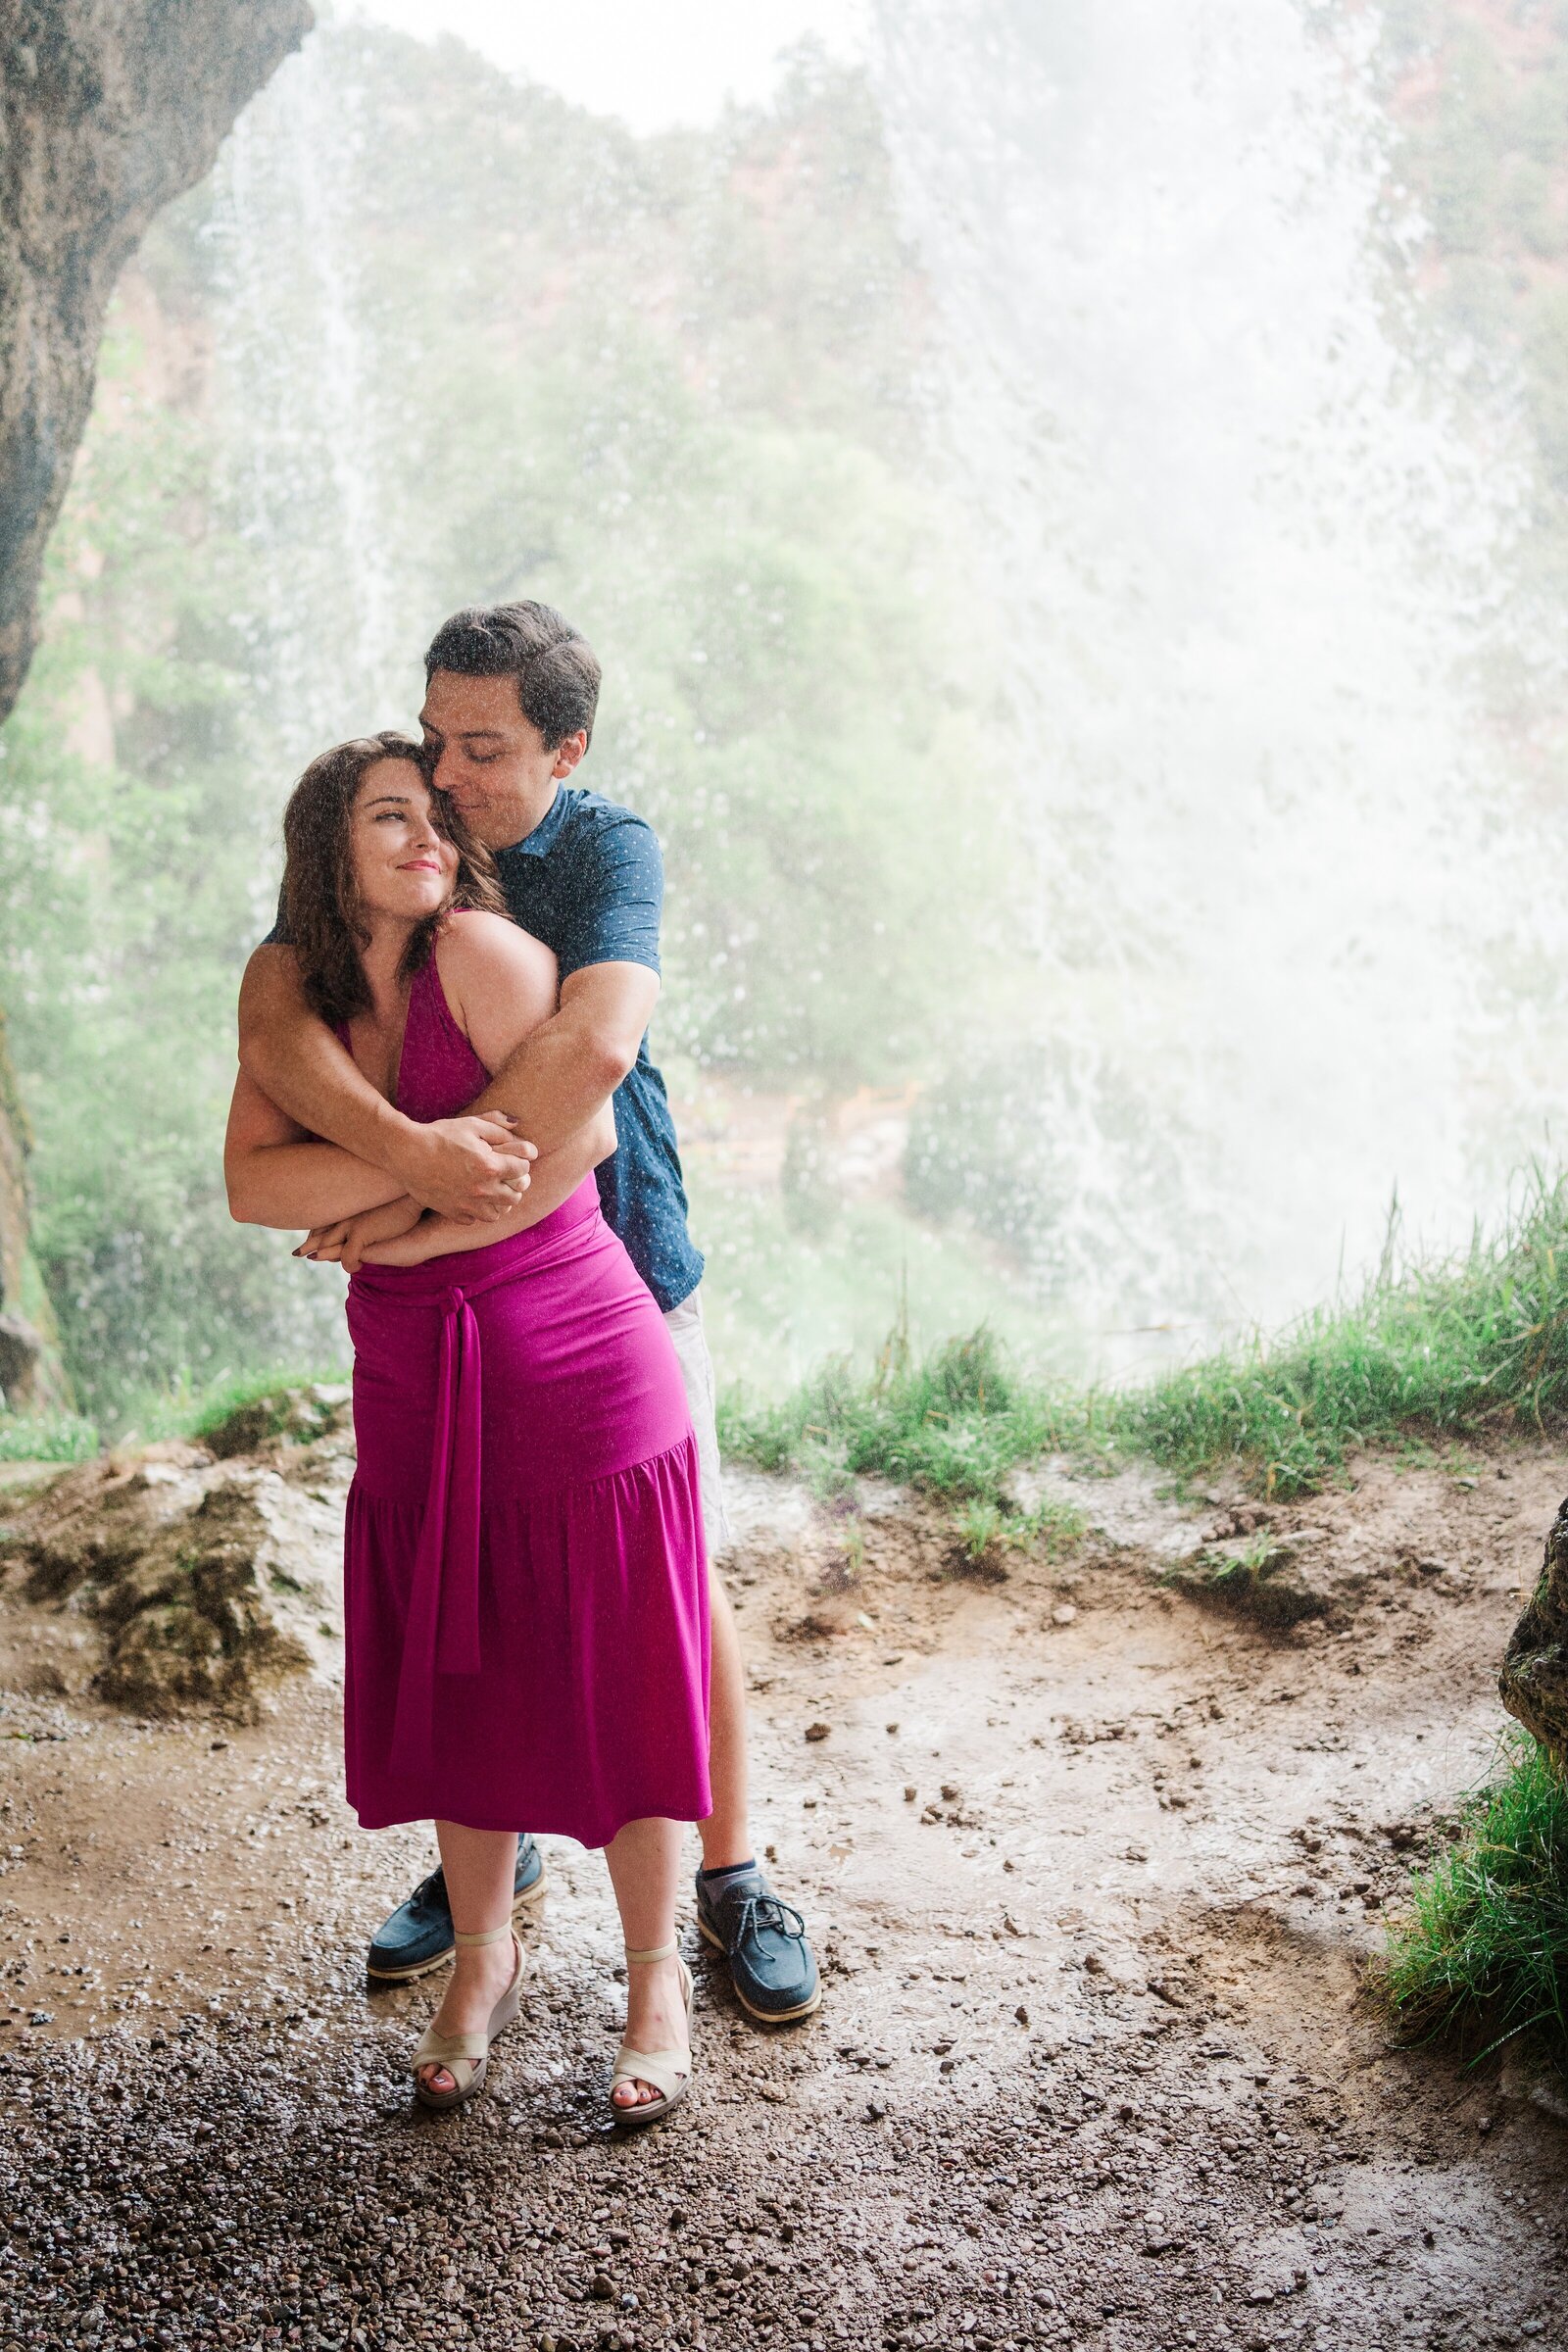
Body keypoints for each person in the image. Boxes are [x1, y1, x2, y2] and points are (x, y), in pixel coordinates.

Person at [235, 603, 819, 2028]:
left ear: (567, 745)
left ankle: (729, 1878)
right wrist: (419, 1179)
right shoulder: (378, 888)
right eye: (432, 738)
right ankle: (496, 1863)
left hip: (610, 1256)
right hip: (445, 1300)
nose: (443, 775)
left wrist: (408, 1201)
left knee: (661, 1587)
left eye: (479, 748)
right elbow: (278, 1043)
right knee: (477, 1577)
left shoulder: (606, 850)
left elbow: (596, 1050)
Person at [226, 732, 710, 2120]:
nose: (429, 834)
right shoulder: (292, 989)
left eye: (438, 814)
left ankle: (653, 1974)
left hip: (573, 1356)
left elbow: (585, 1140)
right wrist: (422, 1161)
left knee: (618, 1670)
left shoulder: (485, 959)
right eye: (392, 814)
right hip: (413, 1380)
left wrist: (394, 1223)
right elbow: (254, 1185)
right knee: (460, 1666)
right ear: (328, 844)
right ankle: (483, 1962)